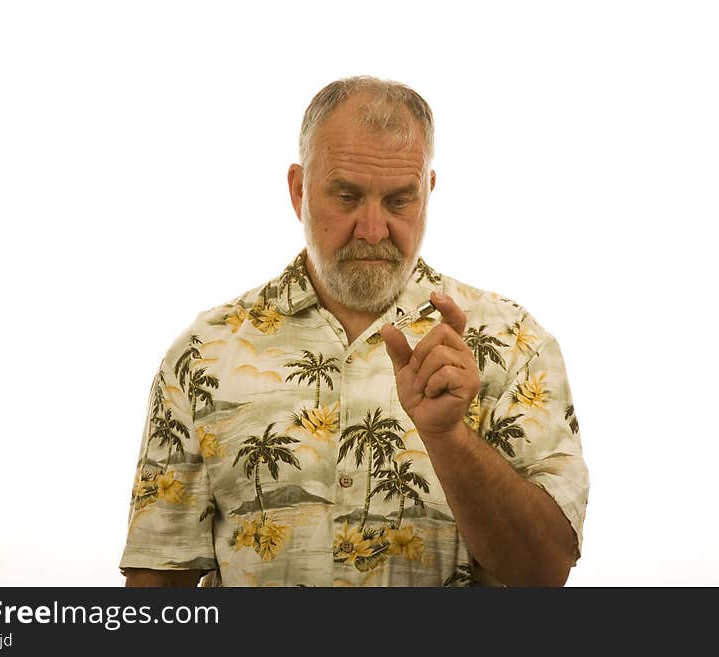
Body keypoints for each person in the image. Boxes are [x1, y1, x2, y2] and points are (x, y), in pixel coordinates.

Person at [120, 76, 589, 587]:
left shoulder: (514, 344)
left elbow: (544, 573)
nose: (372, 229)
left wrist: (447, 436)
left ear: (428, 193)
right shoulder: (204, 354)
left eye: (398, 201)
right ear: (299, 190)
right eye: (346, 196)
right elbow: (157, 586)